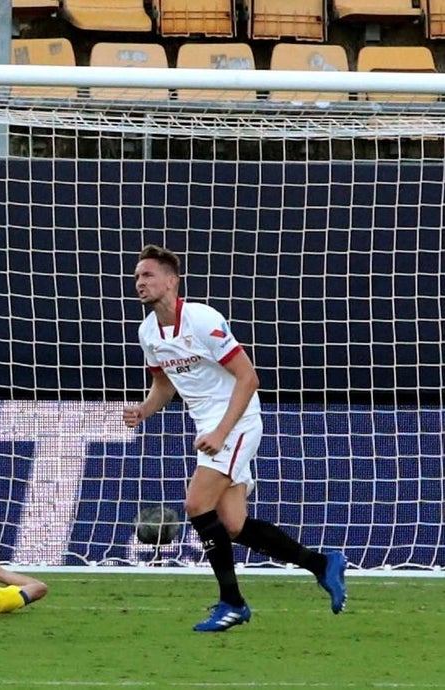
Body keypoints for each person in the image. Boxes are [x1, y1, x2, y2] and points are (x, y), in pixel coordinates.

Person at [123, 244, 348, 632]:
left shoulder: (202, 319)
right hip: (209, 426)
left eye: (148, 275)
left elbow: (249, 378)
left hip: (238, 420)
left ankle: (232, 603)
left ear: (171, 281)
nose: (140, 282)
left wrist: (222, 431)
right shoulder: (149, 332)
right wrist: (144, 410)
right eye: (137, 277)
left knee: (196, 504)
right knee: (232, 525)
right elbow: (163, 383)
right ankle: (322, 563)